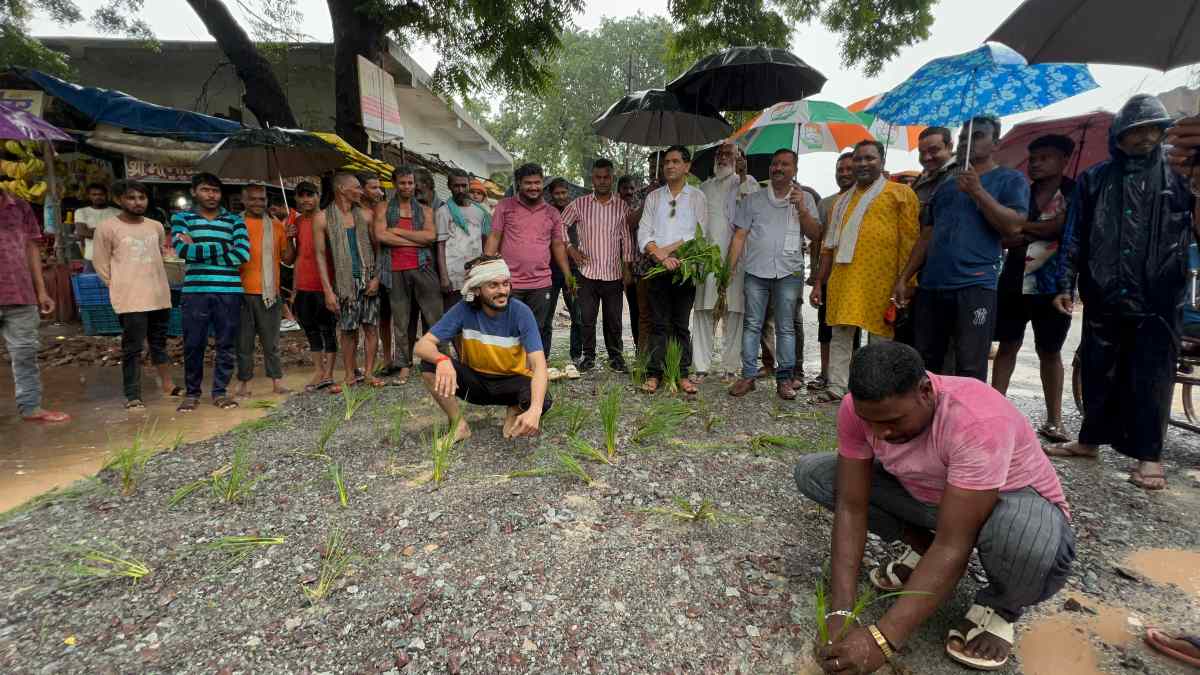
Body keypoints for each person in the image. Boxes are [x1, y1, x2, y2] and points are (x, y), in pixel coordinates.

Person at [795, 342, 1073, 673]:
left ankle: (1001, 608)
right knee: (818, 475)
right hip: (935, 498)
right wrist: (840, 613)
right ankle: (923, 553)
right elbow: (852, 507)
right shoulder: (858, 410)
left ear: (925, 391)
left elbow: (954, 542)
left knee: (1023, 537)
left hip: (1010, 505)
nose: (881, 433)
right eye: (870, 422)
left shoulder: (975, 420)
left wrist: (882, 640)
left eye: (894, 421)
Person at [1046, 94, 1197, 491]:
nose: (1144, 138)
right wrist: (1065, 283)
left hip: (1159, 296)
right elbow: (1074, 234)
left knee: (1152, 375)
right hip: (1104, 291)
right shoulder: (1095, 180)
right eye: (1135, 131)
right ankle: (1089, 440)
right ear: (1119, 136)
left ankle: (1150, 458)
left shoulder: (1179, 177)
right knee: (1098, 368)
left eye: (1152, 129)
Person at [896, 116, 1028, 381]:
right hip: (933, 285)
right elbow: (928, 234)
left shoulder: (1010, 180)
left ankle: (969, 420)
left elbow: (1014, 228)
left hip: (975, 285)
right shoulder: (946, 186)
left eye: (978, 135)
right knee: (926, 361)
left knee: (970, 364)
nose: (968, 141)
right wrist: (904, 277)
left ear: (995, 143)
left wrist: (978, 192)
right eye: (964, 137)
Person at [811, 140, 921, 403]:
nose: (862, 164)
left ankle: (875, 392)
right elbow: (828, 247)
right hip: (844, 279)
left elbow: (910, 241)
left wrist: (906, 281)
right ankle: (837, 387)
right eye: (858, 159)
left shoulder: (901, 194)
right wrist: (818, 283)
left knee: (880, 340)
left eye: (869, 158)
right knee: (840, 334)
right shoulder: (840, 202)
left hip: (882, 281)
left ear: (881, 161)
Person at [991, 134, 1077, 442]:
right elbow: (1004, 234)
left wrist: (1023, 229)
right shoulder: (1020, 193)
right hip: (1013, 281)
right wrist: (1037, 230)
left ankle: (1054, 420)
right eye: (1034, 158)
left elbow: (1064, 229)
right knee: (1007, 346)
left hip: (1055, 285)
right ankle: (994, 411)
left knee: (1050, 351)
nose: (1037, 164)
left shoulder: (1075, 193)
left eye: (1045, 158)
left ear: (1064, 160)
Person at [414, 255, 551, 442]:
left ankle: (514, 410)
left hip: (511, 382)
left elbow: (539, 365)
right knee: (429, 366)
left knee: (542, 398)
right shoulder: (463, 309)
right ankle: (459, 426)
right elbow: (422, 346)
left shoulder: (521, 311)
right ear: (477, 290)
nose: (502, 291)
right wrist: (442, 360)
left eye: (505, 284)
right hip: (476, 381)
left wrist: (535, 411)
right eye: (493, 285)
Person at [726, 149, 819, 400]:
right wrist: (729, 269)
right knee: (752, 324)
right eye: (775, 164)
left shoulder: (805, 198)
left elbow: (815, 234)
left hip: (789, 272)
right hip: (756, 272)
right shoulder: (753, 200)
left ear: (795, 169)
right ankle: (747, 376)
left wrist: (802, 210)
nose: (778, 168)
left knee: (786, 328)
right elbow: (739, 236)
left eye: (785, 164)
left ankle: (785, 379)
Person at [93, 179, 176, 409]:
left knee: (159, 343)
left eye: (141, 197)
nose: (137, 202)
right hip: (130, 299)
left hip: (159, 294)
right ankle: (133, 395)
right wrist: (117, 286)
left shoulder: (155, 226)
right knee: (133, 348)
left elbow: (162, 254)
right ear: (118, 200)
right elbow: (100, 263)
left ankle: (168, 385)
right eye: (131, 197)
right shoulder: (107, 227)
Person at [172, 173, 251, 412]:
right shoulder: (181, 218)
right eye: (206, 190)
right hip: (195, 291)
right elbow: (182, 249)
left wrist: (199, 248)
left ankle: (220, 392)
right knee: (193, 344)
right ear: (194, 191)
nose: (211, 195)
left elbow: (242, 255)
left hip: (229, 292)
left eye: (215, 191)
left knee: (226, 344)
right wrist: (224, 247)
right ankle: (192, 393)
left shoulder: (235, 221)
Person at [638, 146, 706, 395]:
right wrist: (659, 256)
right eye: (667, 161)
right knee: (658, 324)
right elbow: (644, 233)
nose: (669, 166)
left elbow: (697, 234)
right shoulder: (654, 197)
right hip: (657, 268)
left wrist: (669, 252)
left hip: (685, 270)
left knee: (680, 325)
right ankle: (654, 374)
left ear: (687, 166)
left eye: (676, 161)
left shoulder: (697, 197)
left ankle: (681, 373)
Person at [484, 163, 573, 355]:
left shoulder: (552, 213)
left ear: (542, 184)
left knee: (538, 328)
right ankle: (509, 370)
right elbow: (494, 237)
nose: (533, 187)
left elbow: (558, 245)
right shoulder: (504, 207)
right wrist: (485, 271)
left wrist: (567, 275)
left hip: (541, 284)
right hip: (508, 282)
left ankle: (536, 370)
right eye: (528, 183)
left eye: (537, 183)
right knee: (508, 328)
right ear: (518, 184)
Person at [1, 186, 69, 423]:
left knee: (25, 354)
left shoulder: (20, 207)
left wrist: (41, 291)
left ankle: (30, 407)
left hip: (19, 292)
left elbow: (31, 248)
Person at [562, 159, 635, 372]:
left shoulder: (622, 206)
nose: (602, 181)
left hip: (613, 273)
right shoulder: (579, 204)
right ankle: (589, 356)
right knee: (587, 318)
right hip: (587, 273)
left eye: (606, 177)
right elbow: (561, 223)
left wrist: (627, 268)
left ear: (612, 178)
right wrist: (570, 248)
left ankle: (616, 357)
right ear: (592, 179)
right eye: (598, 177)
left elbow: (627, 239)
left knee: (613, 319)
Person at [371, 166, 442, 385]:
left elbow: (430, 237)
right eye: (403, 183)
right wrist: (415, 240)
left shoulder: (425, 210)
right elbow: (381, 236)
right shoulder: (383, 207)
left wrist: (398, 232)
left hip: (423, 268)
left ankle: (436, 361)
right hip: (395, 270)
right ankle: (404, 365)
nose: (407, 187)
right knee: (401, 321)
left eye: (410, 183)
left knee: (434, 317)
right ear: (394, 184)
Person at [314, 173, 382, 388]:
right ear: (342, 189)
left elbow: (379, 249)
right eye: (357, 188)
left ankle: (369, 373)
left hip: (367, 278)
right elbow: (320, 256)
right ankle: (350, 375)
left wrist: (376, 278)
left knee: (371, 327)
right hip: (344, 283)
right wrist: (328, 291)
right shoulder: (322, 218)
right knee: (347, 330)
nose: (361, 192)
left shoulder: (367, 215)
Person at [234, 184, 296, 398]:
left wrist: (290, 238)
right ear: (243, 200)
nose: (258, 203)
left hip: (270, 293)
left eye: (262, 199)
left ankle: (276, 382)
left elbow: (288, 259)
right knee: (243, 343)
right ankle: (243, 384)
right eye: (253, 199)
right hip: (241, 292)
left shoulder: (276, 225)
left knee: (271, 342)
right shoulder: (234, 224)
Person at [693, 143, 745, 381]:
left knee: (733, 312)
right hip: (707, 260)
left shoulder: (747, 184)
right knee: (704, 311)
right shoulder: (703, 188)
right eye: (719, 154)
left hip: (738, 260)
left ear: (738, 158)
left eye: (728, 154)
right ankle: (701, 366)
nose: (723, 158)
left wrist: (744, 178)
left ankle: (730, 367)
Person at [808, 153, 857, 391]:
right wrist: (815, 275)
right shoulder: (826, 203)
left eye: (849, 169)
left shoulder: (865, 201)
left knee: (853, 330)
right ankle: (826, 374)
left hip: (857, 277)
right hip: (829, 276)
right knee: (825, 327)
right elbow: (817, 241)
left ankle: (852, 377)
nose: (844, 173)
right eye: (840, 169)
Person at [291, 181, 340, 394]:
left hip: (325, 283)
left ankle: (329, 372)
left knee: (328, 329)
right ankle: (318, 370)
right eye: (301, 196)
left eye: (310, 195)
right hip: (303, 284)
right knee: (310, 330)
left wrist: (334, 288)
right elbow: (293, 257)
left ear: (318, 196)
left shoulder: (329, 219)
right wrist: (288, 237)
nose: (305, 200)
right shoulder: (297, 222)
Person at [626, 151, 666, 354]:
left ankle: (667, 358)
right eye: (651, 167)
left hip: (668, 263)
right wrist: (648, 198)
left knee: (667, 314)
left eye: (658, 166)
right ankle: (643, 358)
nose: (654, 171)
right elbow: (631, 222)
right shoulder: (641, 193)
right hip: (643, 265)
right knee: (645, 315)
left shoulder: (675, 194)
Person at [436, 168, 492, 310]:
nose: (460, 190)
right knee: (454, 319)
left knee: (475, 317)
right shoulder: (443, 212)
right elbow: (440, 246)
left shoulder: (480, 212)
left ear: (469, 185)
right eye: (456, 186)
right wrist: (444, 277)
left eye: (464, 185)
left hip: (475, 275)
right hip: (453, 277)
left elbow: (485, 242)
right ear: (449, 187)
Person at [357, 174, 397, 377]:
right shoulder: (358, 213)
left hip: (386, 268)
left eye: (380, 188)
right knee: (374, 319)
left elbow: (383, 244)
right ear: (361, 189)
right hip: (365, 270)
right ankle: (377, 359)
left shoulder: (384, 210)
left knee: (389, 315)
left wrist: (379, 274)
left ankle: (391, 357)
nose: (379, 192)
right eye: (373, 188)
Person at [547, 177, 583, 364]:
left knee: (577, 314)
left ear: (568, 192)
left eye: (563, 192)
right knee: (546, 316)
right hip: (550, 269)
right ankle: (543, 356)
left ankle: (576, 356)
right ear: (551, 195)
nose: (561, 196)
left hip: (574, 270)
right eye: (557, 193)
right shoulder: (547, 213)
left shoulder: (576, 212)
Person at [617, 174, 642, 349]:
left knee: (640, 310)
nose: (629, 192)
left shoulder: (639, 207)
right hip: (617, 265)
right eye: (625, 188)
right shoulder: (613, 208)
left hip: (638, 264)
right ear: (619, 190)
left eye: (632, 188)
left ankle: (641, 347)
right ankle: (623, 348)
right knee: (621, 310)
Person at [73, 182, 120, 272]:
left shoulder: (117, 212)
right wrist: (109, 231)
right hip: (91, 257)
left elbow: (121, 233)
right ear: (89, 196)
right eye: (94, 194)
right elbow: (82, 232)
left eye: (101, 194)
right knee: (90, 285)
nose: (98, 197)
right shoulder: (81, 212)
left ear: (106, 195)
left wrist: (92, 230)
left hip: (113, 258)